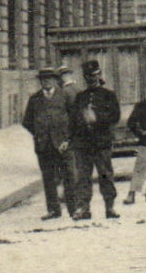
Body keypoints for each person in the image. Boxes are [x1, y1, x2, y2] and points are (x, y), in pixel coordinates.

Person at [70, 60, 122, 221]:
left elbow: (115, 116)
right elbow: (73, 120)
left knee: (105, 175)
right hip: (83, 144)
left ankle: (110, 206)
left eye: (94, 75)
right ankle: (83, 208)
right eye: (88, 77)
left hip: (102, 143)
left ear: (99, 75)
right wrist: (81, 123)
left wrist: (96, 118)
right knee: (83, 177)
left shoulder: (109, 95)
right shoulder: (80, 97)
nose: (91, 79)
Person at [22, 67, 75, 220]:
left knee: (69, 176)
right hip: (44, 145)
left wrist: (68, 139)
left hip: (63, 144)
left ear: (55, 80)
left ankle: (73, 209)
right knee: (48, 178)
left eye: (49, 79)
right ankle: (53, 210)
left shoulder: (65, 95)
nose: (46, 82)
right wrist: (39, 134)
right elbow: (27, 121)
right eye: (43, 79)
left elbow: (75, 119)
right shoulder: (35, 99)